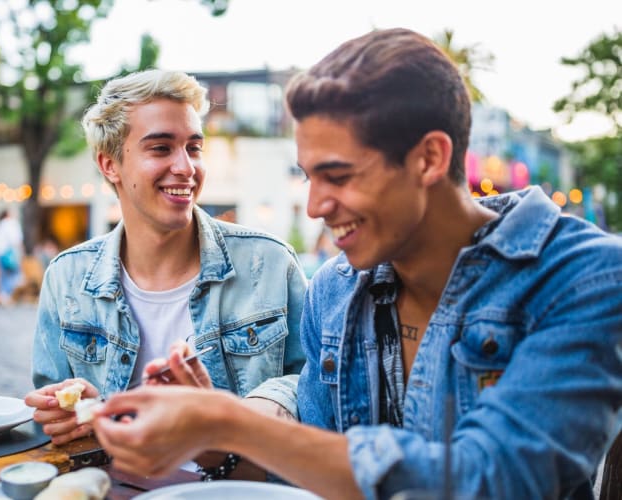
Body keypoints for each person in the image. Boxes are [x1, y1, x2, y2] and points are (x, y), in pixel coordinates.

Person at [91, 28, 622, 499]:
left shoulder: (586, 277)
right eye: (308, 176)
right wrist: (209, 439)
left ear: (430, 159)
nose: (315, 206)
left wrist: (229, 421)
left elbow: (494, 478)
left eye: (339, 176)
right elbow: (311, 477)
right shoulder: (335, 289)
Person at [24, 69, 307, 448]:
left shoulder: (269, 263)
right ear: (110, 164)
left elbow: (313, 386)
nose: (186, 167)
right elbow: (55, 409)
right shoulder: (67, 277)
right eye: (161, 148)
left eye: (193, 147)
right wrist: (79, 414)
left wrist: (237, 416)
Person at [0, 209, 24, 306]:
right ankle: (7, 297)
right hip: (9, 255)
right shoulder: (11, 223)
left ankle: (2, 296)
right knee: (12, 277)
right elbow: (16, 240)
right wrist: (21, 253)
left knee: (3, 277)